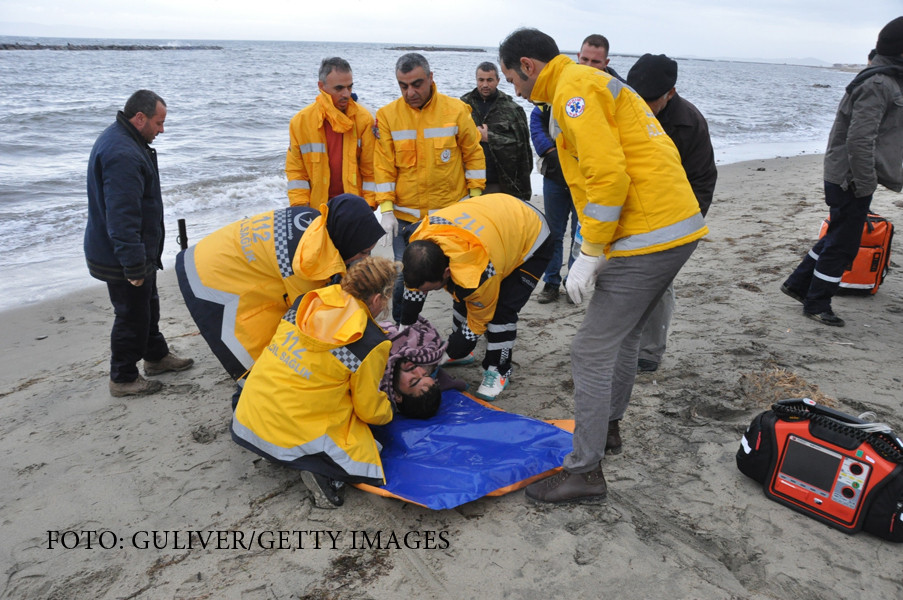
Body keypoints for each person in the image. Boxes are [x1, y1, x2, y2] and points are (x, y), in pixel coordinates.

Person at [498, 28, 708, 503]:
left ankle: (585, 471)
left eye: (512, 77)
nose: (513, 88)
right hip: (669, 228)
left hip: (648, 234)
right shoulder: (583, 84)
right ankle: (608, 430)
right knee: (626, 334)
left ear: (528, 66)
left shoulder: (574, 90)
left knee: (590, 351)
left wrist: (590, 251)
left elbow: (607, 174)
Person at [230, 257, 399, 509]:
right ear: (377, 299)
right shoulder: (370, 341)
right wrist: (390, 409)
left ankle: (273, 446)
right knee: (369, 444)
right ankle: (322, 473)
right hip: (293, 429)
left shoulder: (308, 301)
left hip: (249, 416)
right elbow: (368, 409)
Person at [176, 194, 384, 381]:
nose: (365, 259)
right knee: (258, 363)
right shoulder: (307, 262)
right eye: (363, 252)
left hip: (214, 254)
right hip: (209, 280)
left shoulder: (313, 219)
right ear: (347, 241)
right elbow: (310, 318)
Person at [781, 17, 903, 327]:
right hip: (851, 177)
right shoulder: (879, 83)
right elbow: (859, 139)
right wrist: (864, 183)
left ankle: (798, 285)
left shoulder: (885, 78)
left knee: (838, 233)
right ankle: (817, 303)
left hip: (852, 175)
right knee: (844, 244)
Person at [85, 89, 193, 398]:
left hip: (134, 249)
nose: (162, 130)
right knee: (132, 314)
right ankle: (123, 377)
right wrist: (133, 264)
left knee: (148, 305)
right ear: (140, 117)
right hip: (121, 253)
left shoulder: (127, 140)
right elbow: (122, 217)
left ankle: (156, 357)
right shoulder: (123, 153)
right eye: (159, 123)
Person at [399, 194, 552, 401]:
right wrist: (405, 326)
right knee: (462, 292)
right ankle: (458, 352)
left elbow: (478, 321)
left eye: (432, 289)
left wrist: (453, 348)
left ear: (446, 271)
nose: (427, 292)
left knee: (501, 311)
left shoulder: (478, 275)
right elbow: (415, 286)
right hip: (493, 217)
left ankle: (498, 370)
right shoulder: (419, 240)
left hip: (531, 233)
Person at [373, 53, 486, 323]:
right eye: (403, 85)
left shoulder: (456, 110)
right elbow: (384, 166)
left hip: (450, 216)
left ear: (431, 78)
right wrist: (386, 209)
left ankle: (464, 330)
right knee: (405, 277)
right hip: (405, 218)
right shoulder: (387, 116)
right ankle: (403, 330)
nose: (410, 92)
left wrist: (476, 199)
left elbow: (473, 155)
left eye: (417, 84)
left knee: (461, 274)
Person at [627, 53, 718, 372]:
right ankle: (623, 341)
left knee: (659, 283)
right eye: (639, 97)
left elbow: (704, 179)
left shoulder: (690, 122)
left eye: (652, 100)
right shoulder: (623, 108)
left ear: (671, 93)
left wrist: (684, 227)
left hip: (674, 217)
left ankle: (651, 350)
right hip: (629, 211)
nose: (645, 105)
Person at [533, 34, 625, 304]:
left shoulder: (612, 89)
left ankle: (575, 279)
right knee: (553, 231)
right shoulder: (559, 87)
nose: (588, 64)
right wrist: (550, 151)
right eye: (584, 58)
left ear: (606, 62)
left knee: (581, 230)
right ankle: (550, 283)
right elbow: (537, 123)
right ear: (577, 56)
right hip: (555, 174)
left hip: (589, 179)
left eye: (595, 61)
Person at [285, 57, 377, 207]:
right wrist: (300, 207)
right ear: (321, 86)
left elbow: (370, 170)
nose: (346, 94)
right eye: (339, 88)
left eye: (350, 87)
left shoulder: (365, 119)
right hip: (315, 209)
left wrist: (368, 206)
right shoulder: (300, 122)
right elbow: (296, 172)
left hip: (354, 208)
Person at [460, 61, 532, 200]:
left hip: (502, 182)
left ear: (498, 81)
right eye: (481, 80)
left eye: (490, 80)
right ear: (476, 80)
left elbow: (523, 150)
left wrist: (490, 137)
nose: (485, 85)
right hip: (468, 181)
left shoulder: (512, 109)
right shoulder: (462, 106)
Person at [379, 316, 468, 418]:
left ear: (397, 395)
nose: (417, 369)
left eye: (413, 380)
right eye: (425, 374)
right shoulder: (423, 359)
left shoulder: (373, 375)